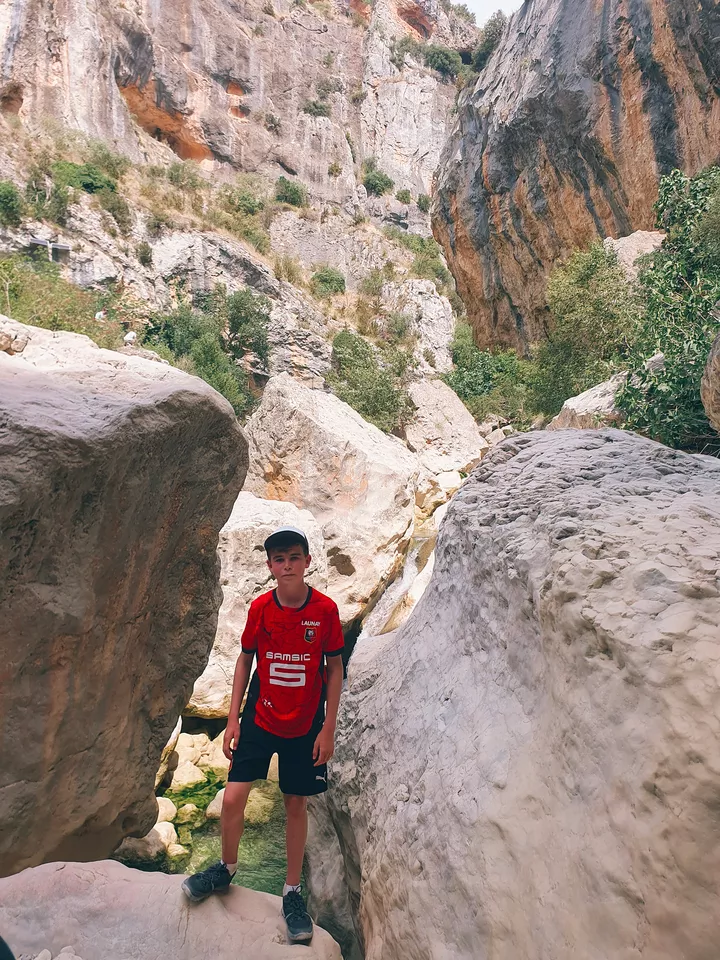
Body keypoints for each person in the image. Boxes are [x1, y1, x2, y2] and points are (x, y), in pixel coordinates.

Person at [182, 526, 344, 944]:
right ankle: (226, 869)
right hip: (260, 716)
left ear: (308, 561)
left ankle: (291, 892)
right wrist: (233, 718)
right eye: (278, 559)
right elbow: (244, 660)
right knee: (233, 797)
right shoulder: (261, 609)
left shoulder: (324, 611)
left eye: (293, 557)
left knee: (295, 804)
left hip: (305, 724)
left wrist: (328, 727)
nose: (286, 565)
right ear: (270, 566)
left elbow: (334, 669)